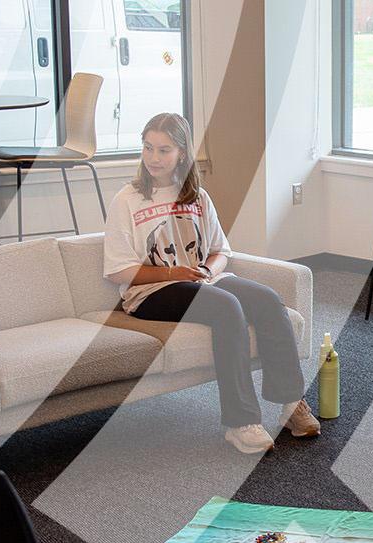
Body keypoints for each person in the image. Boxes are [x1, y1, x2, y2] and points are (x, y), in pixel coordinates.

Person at [103, 113, 316, 453]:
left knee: (267, 299)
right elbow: (118, 271)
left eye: (164, 150)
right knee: (226, 307)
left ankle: (291, 404)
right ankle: (240, 422)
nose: (154, 158)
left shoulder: (198, 197)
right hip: (151, 293)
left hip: (202, 281)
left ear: (182, 154)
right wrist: (175, 274)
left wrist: (206, 269)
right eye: (148, 148)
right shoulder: (127, 200)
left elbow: (220, 250)